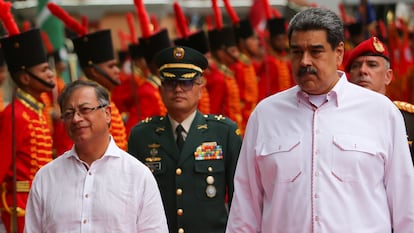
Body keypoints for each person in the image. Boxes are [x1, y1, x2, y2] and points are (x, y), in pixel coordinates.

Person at [226, 7, 414, 233]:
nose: (305, 61)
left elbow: (405, 206)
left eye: (316, 51)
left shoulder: (381, 112)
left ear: (339, 53)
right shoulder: (266, 115)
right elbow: (244, 209)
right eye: (296, 52)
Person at [24, 79, 168, 232]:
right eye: (68, 113)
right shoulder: (46, 177)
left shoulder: (137, 175)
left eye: (84, 110)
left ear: (107, 114)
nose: (76, 119)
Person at [128, 46, 242, 233]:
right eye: (171, 83)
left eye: (186, 82)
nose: (178, 89)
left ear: (200, 88)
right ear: (161, 89)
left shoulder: (224, 133)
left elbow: (240, 199)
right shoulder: (142, 136)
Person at [0, 26, 55, 233]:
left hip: (41, 200)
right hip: (19, 205)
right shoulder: (14, 114)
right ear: (25, 78)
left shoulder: (36, 110)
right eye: (43, 70)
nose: (50, 74)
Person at [344, 36, 414, 166]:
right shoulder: (336, 116)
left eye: (372, 65)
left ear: (388, 76)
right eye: (356, 66)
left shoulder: (409, 121)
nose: (363, 71)